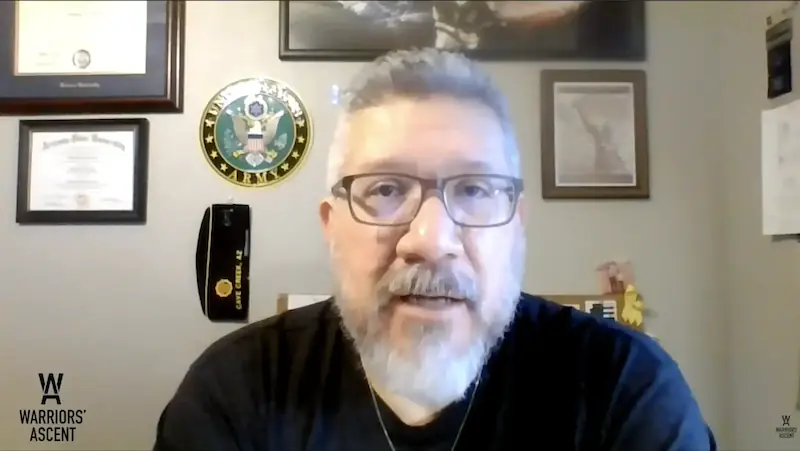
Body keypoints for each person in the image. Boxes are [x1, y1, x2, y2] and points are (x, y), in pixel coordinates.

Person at [153, 48, 716, 451]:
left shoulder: (625, 387)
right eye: (385, 190)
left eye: (474, 190)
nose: (430, 241)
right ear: (331, 226)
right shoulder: (234, 391)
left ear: (516, 228)